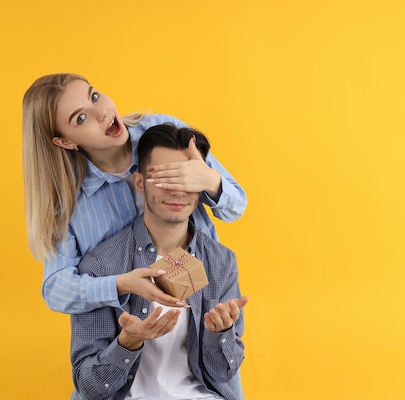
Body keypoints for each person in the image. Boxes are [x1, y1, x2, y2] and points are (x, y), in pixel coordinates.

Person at [22, 73, 247, 399]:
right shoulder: (71, 202)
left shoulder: (161, 133)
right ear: (65, 141)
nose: (101, 113)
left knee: (217, 372)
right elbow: (56, 289)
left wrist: (209, 179)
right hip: (120, 330)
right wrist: (121, 284)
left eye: (95, 96)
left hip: (196, 293)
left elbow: (235, 206)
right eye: (81, 118)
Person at [71, 124, 247, 400]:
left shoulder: (220, 262)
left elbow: (223, 374)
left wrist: (220, 333)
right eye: (165, 177)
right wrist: (127, 342)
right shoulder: (100, 267)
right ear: (139, 183)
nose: (177, 190)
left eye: (186, 179)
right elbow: (89, 386)